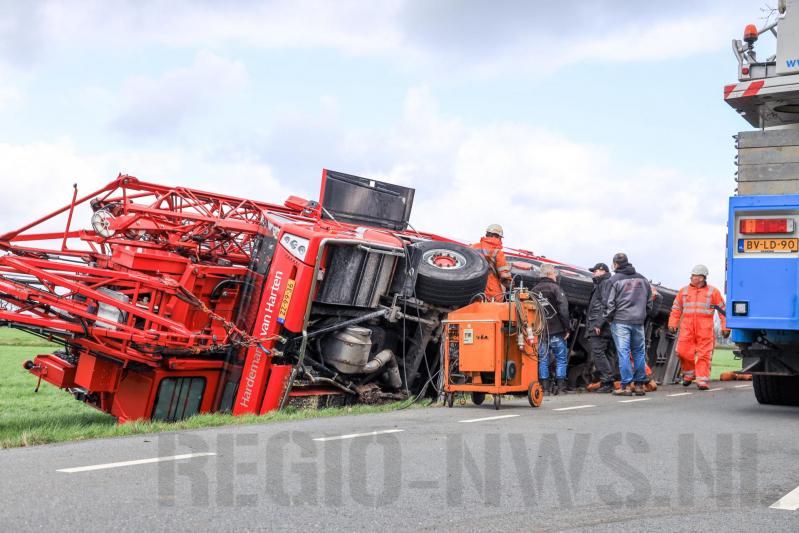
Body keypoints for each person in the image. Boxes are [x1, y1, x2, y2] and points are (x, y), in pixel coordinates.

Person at [668, 265, 730, 391]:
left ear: (701, 278)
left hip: (705, 327)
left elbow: (723, 311)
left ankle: (702, 380)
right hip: (687, 326)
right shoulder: (684, 291)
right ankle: (690, 374)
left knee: (704, 354)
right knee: (682, 351)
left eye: (693, 275)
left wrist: (725, 327)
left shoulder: (713, 292)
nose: (691, 277)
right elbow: (676, 309)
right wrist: (673, 323)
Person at [602, 253, 652, 397]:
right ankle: (639, 386)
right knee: (639, 353)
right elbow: (649, 302)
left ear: (615, 265)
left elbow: (609, 303)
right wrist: (643, 315)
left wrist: (609, 319)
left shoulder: (614, 280)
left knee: (623, 353)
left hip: (620, 321)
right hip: (638, 321)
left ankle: (625, 386)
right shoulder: (643, 279)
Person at [532, 263, 571, 395]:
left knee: (543, 358)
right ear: (549, 274)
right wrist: (567, 328)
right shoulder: (556, 288)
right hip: (556, 330)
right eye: (554, 273)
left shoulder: (533, 290)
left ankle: (545, 388)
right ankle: (560, 388)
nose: (555, 275)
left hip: (541, 331)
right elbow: (563, 309)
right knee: (561, 358)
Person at [586, 262, 615, 393]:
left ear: (603, 271)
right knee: (607, 352)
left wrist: (598, 323)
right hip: (606, 325)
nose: (593, 273)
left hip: (599, 325)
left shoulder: (604, 283)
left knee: (597, 352)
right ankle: (608, 381)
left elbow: (606, 305)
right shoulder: (606, 283)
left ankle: (607, 381)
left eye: (595, 271)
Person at [471, 224, 512, 300]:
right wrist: (513, 287)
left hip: (472, 292)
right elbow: (505, 279)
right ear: (499, 237)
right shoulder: (497, 252)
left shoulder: (471, 247)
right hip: (491, 295)